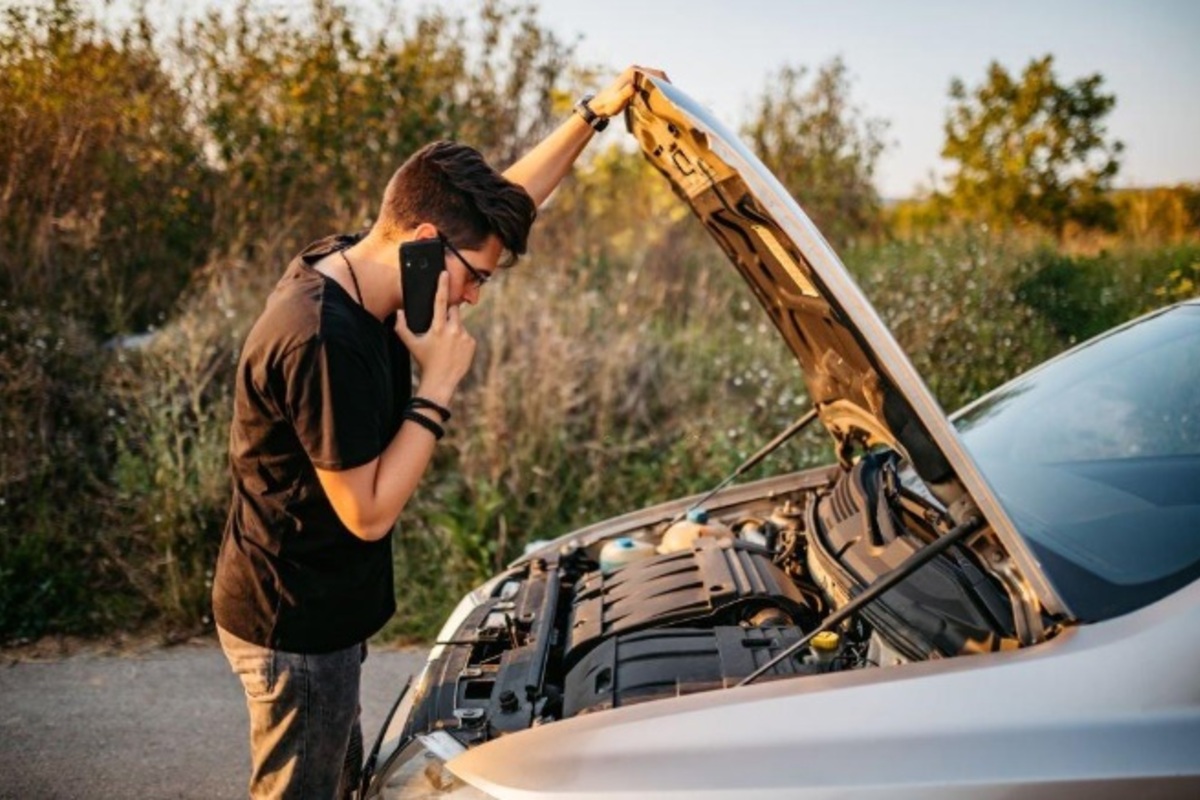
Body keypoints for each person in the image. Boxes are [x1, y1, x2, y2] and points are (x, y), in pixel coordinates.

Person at [211, 65, 666, 799]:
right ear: (425, 242)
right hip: (295, 623)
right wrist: (440, 384)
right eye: (477, 276)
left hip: (323, 607)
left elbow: (505, 206)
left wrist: (591, 116)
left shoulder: (367, 263)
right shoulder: (322, 338)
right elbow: (367, 512)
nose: (477, 297)